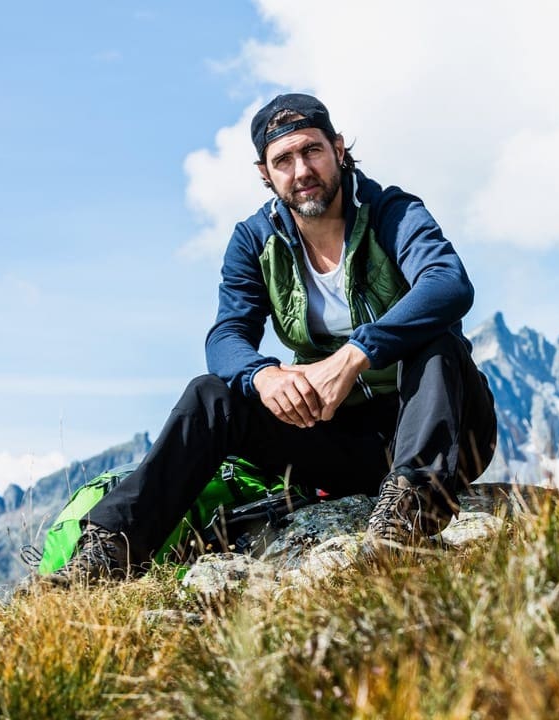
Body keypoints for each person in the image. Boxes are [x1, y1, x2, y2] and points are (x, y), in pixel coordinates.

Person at [48, 93, 497, 583]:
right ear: (265, 172)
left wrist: (355, 354)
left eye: (312, 151)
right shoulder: (254, 240)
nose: (301, 170)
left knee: (435, 342)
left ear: (339, 150)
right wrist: (262, 375)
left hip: (447, 431)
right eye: (283, 160)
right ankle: (109, 554)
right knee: (211, 393)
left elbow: (447, 283)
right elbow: (226, 336)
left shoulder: (391, 211)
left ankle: (411, 509)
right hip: (343, 443)